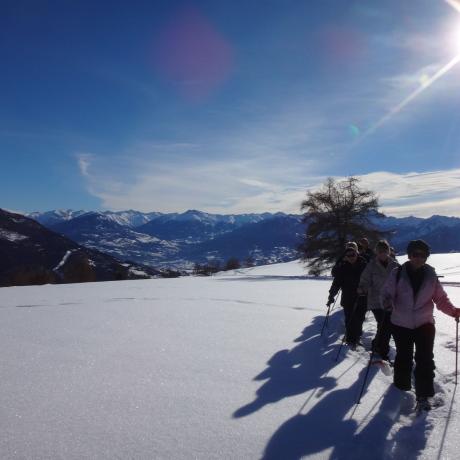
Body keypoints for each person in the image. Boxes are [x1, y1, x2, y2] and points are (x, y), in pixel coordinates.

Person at [382, 239, 460, 410]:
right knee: (404, 357)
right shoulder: (397, 273)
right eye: (415, 254)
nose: (418, 258)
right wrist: (387, 302)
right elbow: (386, 293)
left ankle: (423, 395)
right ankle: (401, 388)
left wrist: (454, 311)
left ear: (426, 257)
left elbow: (440, 299)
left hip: (425, 324)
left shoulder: (431, 275)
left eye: (422, 255)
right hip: (401, 324)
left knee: (425, 359)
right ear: (409, 255)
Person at [358, 240, 399, 360]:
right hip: (376, 300)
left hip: (390, 301)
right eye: (380, 251)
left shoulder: (395, 265)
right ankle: (383, 351)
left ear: (388, 251)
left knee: (386, 326)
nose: (382, 253)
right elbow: (364, 280)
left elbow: (402, 280)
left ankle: (377, 344)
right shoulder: (371, 265)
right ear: (376, 252)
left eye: (385, 251)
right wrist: (362, 288)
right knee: (384, 325)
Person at [327, 244, 367, 348]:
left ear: (356, 254)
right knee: (349, 319)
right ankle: (350, 340)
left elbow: (370, 280)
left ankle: (357, 337)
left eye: (353, 255)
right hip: (348, 298)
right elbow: (336, 283)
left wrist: (364, 289)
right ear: (345, 256)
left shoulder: (364, 265)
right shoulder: (342, 267)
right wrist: (331, 295)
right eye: (348, 256)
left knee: (359, 319)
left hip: (362, 297)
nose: (351, 257)